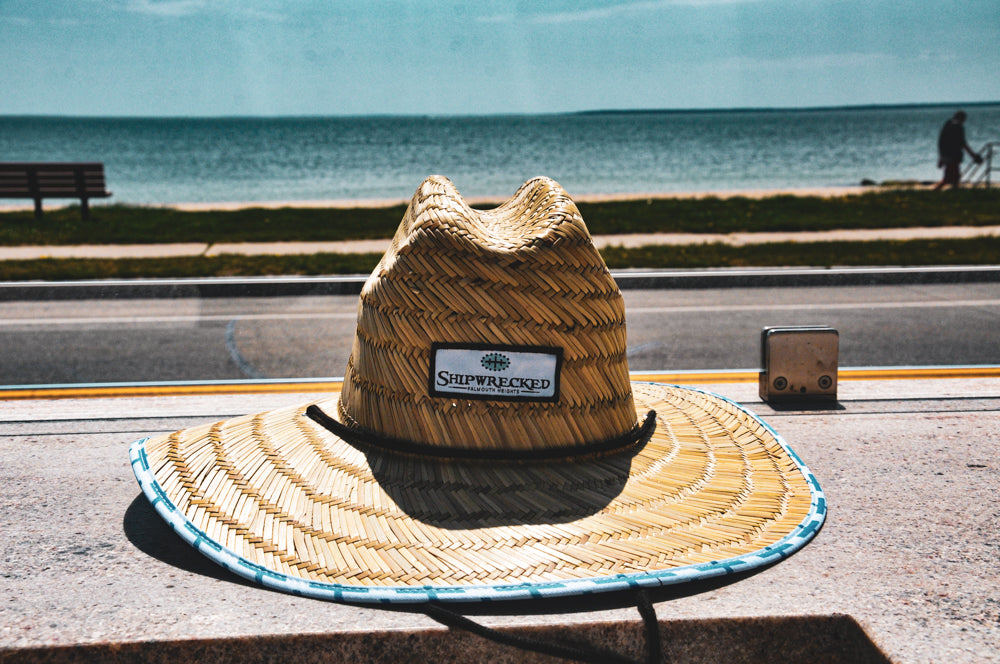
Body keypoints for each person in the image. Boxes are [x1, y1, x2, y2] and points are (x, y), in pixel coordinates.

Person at [934, 110, 983, 190]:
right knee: (950, 177)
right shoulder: (958, 127)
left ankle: (954, 191)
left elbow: (941, 142)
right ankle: (937, 191)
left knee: (953, 176)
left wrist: (941, 157)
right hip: (953, 156)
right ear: (962, 118)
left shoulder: (947, 125)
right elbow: (962, 143)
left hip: (946, 155)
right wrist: (973, 155)